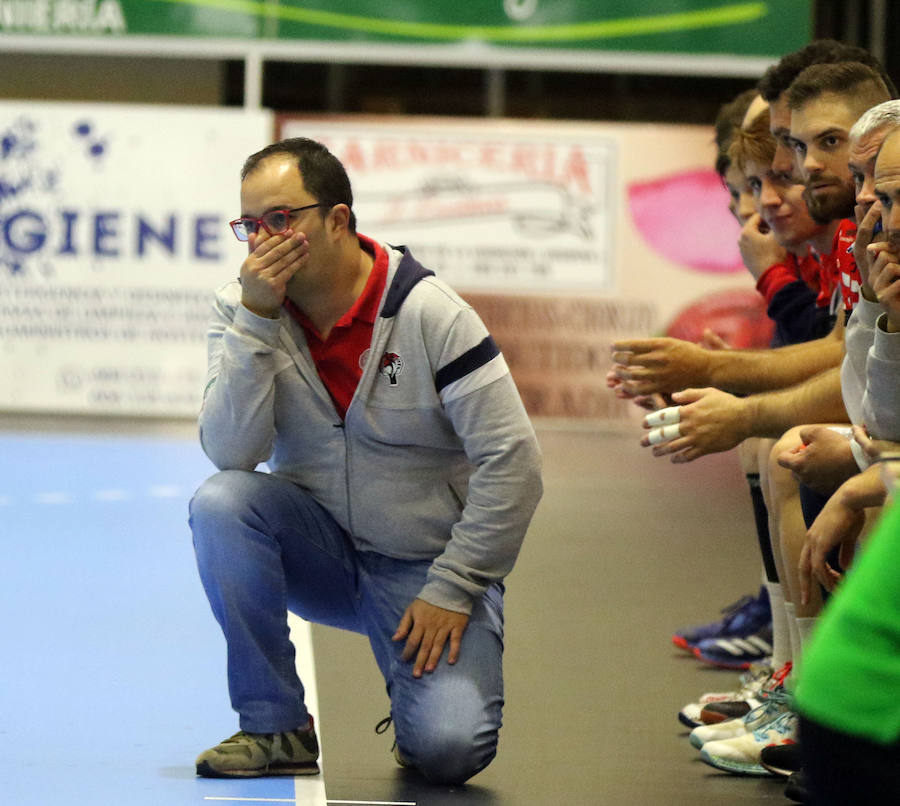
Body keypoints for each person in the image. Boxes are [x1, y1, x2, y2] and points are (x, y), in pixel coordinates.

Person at [188, 137, 543, 784]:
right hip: (319, 550)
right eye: (251, 225)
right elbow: (231, 453)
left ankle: (418, 696)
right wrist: (257, 323)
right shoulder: (243, 309)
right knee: (221, 504)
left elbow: (514, 461)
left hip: (426, 568)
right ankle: (275, 727)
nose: (262, 241)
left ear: (338, 220)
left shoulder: (432, 314)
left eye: (281, 219)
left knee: (449, 749)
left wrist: (455, 586)